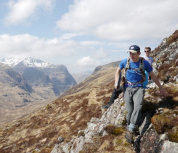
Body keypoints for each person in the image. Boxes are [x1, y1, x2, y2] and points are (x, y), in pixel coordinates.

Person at [114, 45, 168, 143]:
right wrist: (116, 82)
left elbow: (153, 76)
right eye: (130, 53)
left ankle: (130, 130)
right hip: (127, 88)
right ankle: (131, 125)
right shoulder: (125, 61)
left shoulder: (145, 63)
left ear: (139, 53)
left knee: (138, 107)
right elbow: (117, 71)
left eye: (134, 53)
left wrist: (161, 88)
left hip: (139, 88)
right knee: (130, 110)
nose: (132, 55)